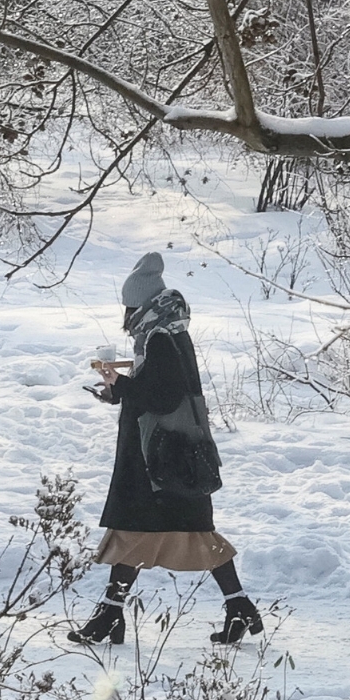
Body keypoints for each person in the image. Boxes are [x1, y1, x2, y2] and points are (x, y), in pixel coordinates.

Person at [69, 252, 264, 646]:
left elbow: (163, 396)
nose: (127, 316)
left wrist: (120, 385)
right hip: (172, 452)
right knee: (172, 531)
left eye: (129, 307)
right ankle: (236, 607)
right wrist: (119, 392)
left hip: (158, 457)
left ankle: (112, 614)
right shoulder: (167, 332)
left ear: (140, 304)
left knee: (145, 531)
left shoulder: (159, 338)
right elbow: (161, 390)